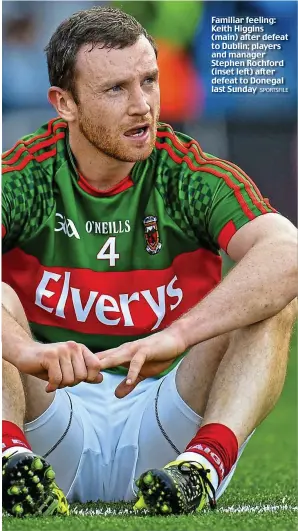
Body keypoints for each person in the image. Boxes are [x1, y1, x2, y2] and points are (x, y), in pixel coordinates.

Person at [2, 5, 297, 518]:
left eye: (149, 81)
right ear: (64, 103)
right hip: (45, 414)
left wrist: (180, 335)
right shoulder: (24, 175)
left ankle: (202, 467)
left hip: (165, 416)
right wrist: (24, 351)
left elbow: (288, 253)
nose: (142, 105)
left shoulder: (188, 172)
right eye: (116, 89)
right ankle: (9, 463)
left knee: (270, 300)